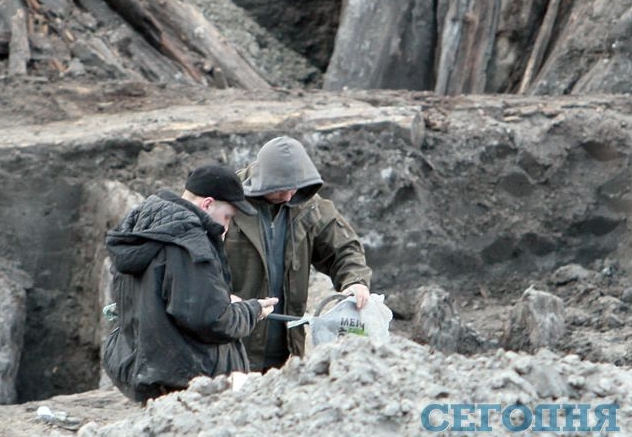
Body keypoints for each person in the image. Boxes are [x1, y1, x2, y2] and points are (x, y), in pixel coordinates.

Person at [102, 164, 278, 403]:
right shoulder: (190, 244)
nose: (226, 227)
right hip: (188, 382)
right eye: (227, 217)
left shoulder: (143, 228)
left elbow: (162, 299)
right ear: (207, 204)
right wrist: (251, 310)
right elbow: (213, 320)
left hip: (147, 371)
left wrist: (221, 300)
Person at [224, 136, 372, 372]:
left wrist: (355, 282)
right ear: (264, 181)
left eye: (295, 188)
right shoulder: (226, 201)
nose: (290, 196)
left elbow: (344, 248)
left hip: (285, 351)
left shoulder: (308, 206)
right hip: (230, 345)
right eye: (282, 189)